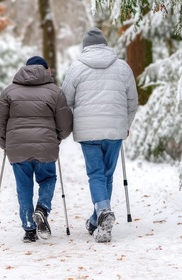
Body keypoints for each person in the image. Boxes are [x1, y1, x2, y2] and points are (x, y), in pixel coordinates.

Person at [61, 27, 139, 243]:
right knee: (106, 175)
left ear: (84, 47)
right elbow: (132, 101)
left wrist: (68, 127)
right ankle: (98, 219)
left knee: (96, 174)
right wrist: (125, 124)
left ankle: (102, 213)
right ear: (105, 44)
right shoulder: (123, 67)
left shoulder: (75, 69)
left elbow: (65, 103)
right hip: (114, 129)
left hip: (88, 132)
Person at [0, 56, 73, 243]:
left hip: (17, 148)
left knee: (24, 186)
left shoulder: (9, 92)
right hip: (45, 146)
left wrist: (5, 144)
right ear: (47, 70)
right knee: (48, 178)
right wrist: (57, 137)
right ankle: (42, 209)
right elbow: (65, 123)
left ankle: (29, 228)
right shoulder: (55, 92)